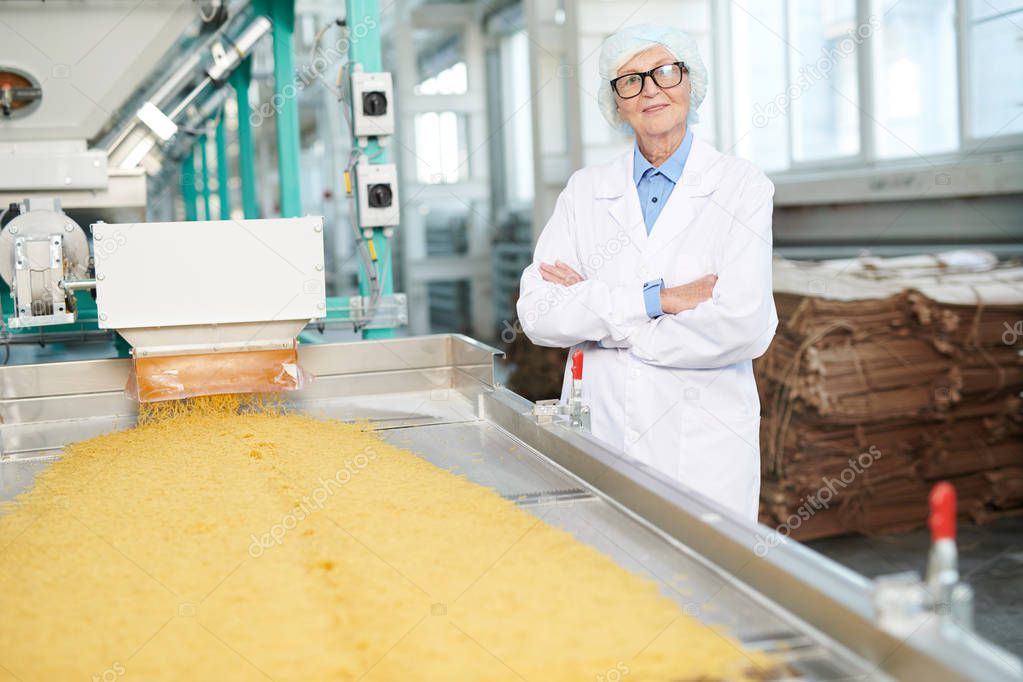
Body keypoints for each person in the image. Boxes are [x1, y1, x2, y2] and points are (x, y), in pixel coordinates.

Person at [516, 24, 777, 522]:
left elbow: (743, 324)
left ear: (690, 81)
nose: (650, 89)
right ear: (615, 103)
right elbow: (540, 314)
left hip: (702, 447)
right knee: (608, 584)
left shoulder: (741, 187)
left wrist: (605, 326)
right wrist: (657, 300)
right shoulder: (585, 191)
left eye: (664, 71)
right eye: (630, 80)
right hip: (603, 433)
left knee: (700, 587)